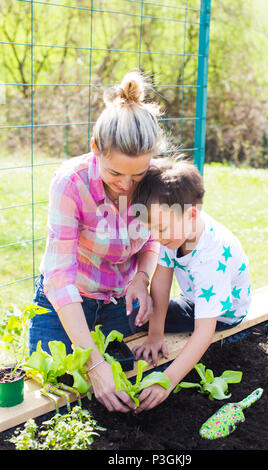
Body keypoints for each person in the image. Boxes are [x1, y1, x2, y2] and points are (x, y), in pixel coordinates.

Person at [29, 71, 168, 413]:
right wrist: (92, 363)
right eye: (115, 173)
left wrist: (140, 278)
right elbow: (59, 278)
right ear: (95, 149)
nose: (126, 185)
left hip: (119, 302)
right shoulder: (70, 183)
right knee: (54, 388)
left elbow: (154, 239)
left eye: (137, 175)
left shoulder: (156, 180)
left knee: (125, 377)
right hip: (66, 304)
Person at [131, 157, 251, 412]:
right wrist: (154, 336)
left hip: (223, 314)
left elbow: (203, 333)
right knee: (138, 316)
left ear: (192, 214)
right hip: (195, 301)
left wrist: (167, 381)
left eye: (161, 228)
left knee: (136, 320)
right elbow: (161, 285)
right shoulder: (173, 232)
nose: (156, 237)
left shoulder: (211, 256)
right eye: (152, 229)